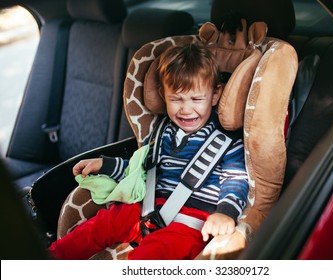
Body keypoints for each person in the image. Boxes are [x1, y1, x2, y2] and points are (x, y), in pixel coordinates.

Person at [48, 43, 249, 260]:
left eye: (196, 99)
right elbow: (141, 168)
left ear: (215, 95)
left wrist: (225, 213)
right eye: (176, 99)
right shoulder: (162, 130)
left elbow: (236, 179)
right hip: (148, 207)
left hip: (193, 221)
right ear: (163, 95)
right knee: (102, 224)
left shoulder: (226, 139)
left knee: (153, 254)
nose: (186, 109)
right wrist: (104, 165)